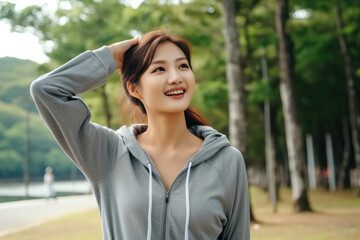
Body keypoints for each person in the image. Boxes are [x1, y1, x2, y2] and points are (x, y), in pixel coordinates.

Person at [30, 30, 250, 239]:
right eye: (159, 69)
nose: (175, 77)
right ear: (134, 89)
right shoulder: (109, 153)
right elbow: (46, 90)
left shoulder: (227, 160)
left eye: (183, 66)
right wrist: (109, 58)